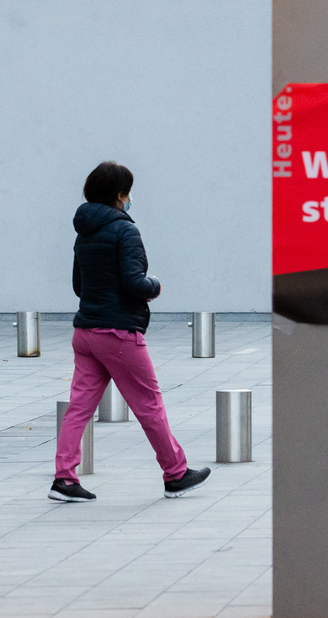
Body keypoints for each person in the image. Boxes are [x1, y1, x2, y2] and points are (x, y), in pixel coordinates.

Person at [49, 161, 211, 503]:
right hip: (119, 333)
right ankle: (176, 473)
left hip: (86, 332)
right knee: (149, 404)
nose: (130, 198)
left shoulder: (84, 231)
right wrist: (155, 286)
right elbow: (133, 283)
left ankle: (64, 479)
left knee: (79, 408)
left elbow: (79, 285)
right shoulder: (126, 231)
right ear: (120, 195)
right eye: (128, 191)